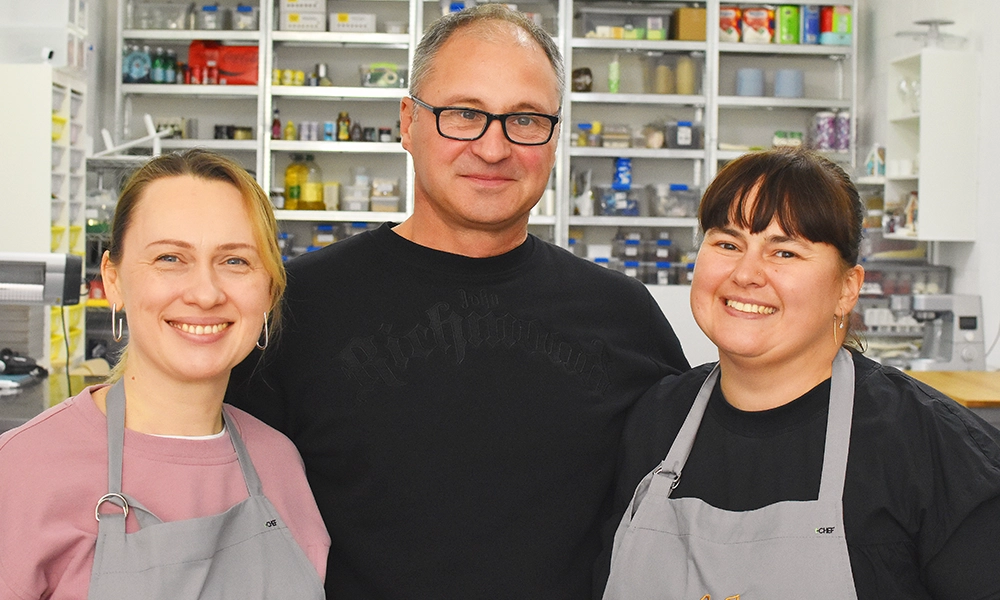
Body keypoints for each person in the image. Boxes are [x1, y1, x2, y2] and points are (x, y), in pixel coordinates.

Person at [225, 4, 689, 598]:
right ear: (407, 123)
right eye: (464, 114)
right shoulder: (298, 309)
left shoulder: (625, 316)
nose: (494, 149)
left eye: (524, 119)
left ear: (553, 135)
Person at [601, 148, 1000, 599]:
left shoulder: (931, 450)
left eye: (785, 252)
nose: (746, 273)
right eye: (727, 244)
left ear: (847, 289)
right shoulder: (653, 418)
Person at [0, 150, 330, 599]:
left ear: (269, 290)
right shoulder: (22, 471)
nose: (205, 293)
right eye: (170, 258)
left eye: (235, 261)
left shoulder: (280, 463)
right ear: (113, 280)